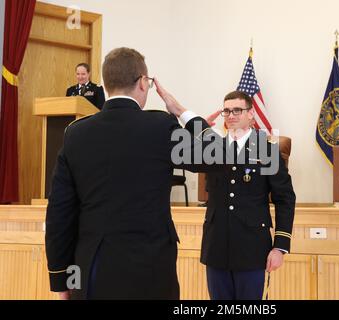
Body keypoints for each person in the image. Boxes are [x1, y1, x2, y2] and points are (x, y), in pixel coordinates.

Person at [45, 47, 210, 300]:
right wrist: (180, 111)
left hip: (91, 272)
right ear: (143, 83)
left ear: (104, 84)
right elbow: (221, 157)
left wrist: (61, 280)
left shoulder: (75, 133)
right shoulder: (161, 127)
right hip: (151, 270)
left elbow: (59, 214)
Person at [169, 90, 296, 300]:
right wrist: (176, 111)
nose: (231, 115)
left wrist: (280, 247)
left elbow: (285, 199)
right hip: (217, 247)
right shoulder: (213, 147)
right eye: (226, 111)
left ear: (251, 114)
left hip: (252, 249)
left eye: (237, 110)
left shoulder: (266, 149)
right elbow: (184, 145)